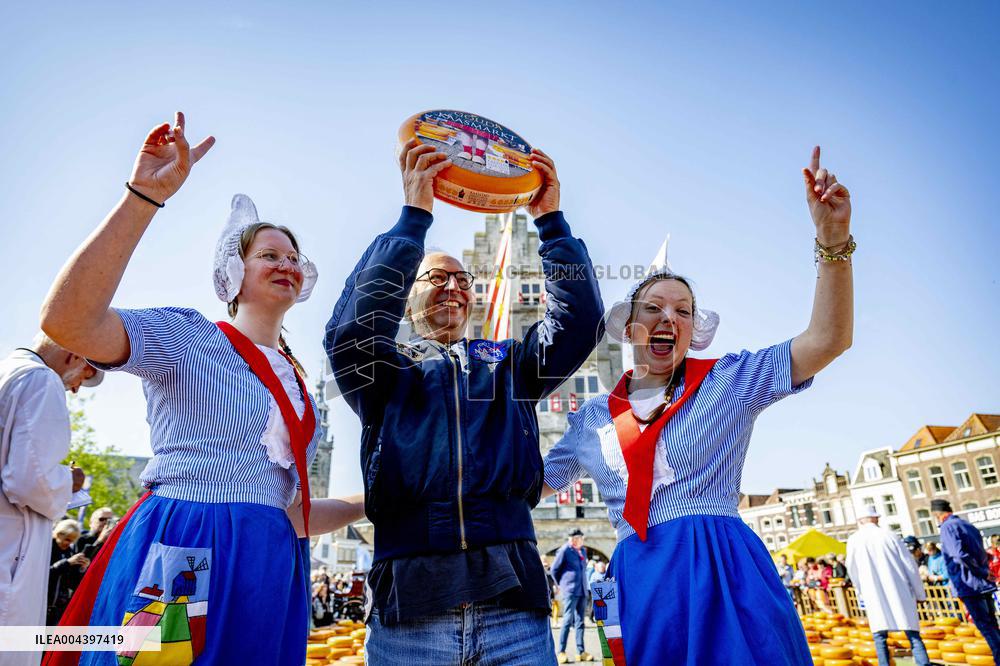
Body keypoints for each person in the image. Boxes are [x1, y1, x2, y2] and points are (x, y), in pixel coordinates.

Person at [39, 112, 364, 666]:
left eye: (292, 256)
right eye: (268, 254)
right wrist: (143, 197)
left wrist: (386, 496)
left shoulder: (297, 379)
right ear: (231, 274)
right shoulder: (190, 337)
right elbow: (68, 321)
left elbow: (283, 509)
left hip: (267, 558)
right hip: (186, 543)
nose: (285, 262)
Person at [542, 146, 854, 664]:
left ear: (693, 328)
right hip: (640, 578)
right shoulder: (592, 418)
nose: (670, 317)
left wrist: (833, 243)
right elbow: (525, 485)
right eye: (655, 307)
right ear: (630, 325)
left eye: (683, 310)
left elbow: (828, 339)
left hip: (720, 565)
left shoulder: (730, 380)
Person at [325, 138, 604, 665]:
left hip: (512, 607)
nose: (453, 287)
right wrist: (413, 220)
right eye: (436, 277)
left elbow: (582, 321)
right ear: (407, 295)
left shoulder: (508, 364)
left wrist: (552, 224)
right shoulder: (387, 372)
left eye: (463, 279)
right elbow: (350, 333)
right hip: (411, 609)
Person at [1, 333, 98, 665]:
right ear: (74, 355)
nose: (73, 389)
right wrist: (71, 482)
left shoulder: (8, 372)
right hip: (11, 555)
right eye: (83, 377)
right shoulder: (41, 380)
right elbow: (30, 480)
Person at [846, 505, 931, 666]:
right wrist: (920, 593)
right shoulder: (890, 535)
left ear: (861, 520)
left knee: (879, 636)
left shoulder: (854, 540)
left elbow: (852, 569)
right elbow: (910, 566)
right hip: (899, 589)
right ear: (876, 518)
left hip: (873, 593)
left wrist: (861, 591)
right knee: (913, 634)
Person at [933, 499, 1000, 658]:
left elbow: (958, 555)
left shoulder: (947, 527)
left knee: (986, 627)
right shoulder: (967, 525)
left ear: (937, 514)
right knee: (992, 625)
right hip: (982, 583)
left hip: (968, 583)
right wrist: (984, 572)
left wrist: (981, 572)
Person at [551, 529, 594, 663]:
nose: (580, 540)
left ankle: (580, 652)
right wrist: (560, 585)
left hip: (582, 590)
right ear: (574, 539)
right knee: (567, 620)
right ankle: (561, 652)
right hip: (570, 590)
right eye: (578, 538)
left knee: (581, 621)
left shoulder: (583, 551)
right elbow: (554, 569)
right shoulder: (564, 550)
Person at [47, 520, 91, 626]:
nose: (68, 544)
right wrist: (67, 563)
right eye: (67, 539)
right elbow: (42, 574)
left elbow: (72, 582)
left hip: (58, 607)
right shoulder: (46, 547)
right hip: (42, 605)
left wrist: (82, 568)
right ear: (59, 534)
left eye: (72, 541)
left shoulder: (69, 552)